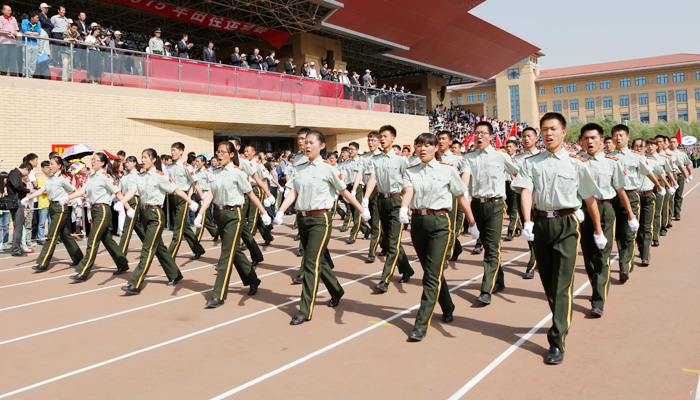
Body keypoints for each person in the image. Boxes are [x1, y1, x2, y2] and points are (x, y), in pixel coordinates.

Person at [512, 112, 605, 365]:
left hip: (567, 224)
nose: (548, 133)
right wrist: (528, 221)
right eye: (544, 129)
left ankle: (556, 339)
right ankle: (562, 317)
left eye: (553, 129)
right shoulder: (531, 163)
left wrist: (598, 230)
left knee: (563, 281)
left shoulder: (577, 163)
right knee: (548, 281)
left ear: (564, 132)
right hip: (541, 223)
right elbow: (526, 191)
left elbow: (589, 199)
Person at [273, 130, 369, 325]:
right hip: (302, 219)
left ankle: (305, 309)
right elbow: (292, 192)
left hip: (320, 219)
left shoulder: (329, 168)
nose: (307, 146)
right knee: (319, 260)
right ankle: (336, 290)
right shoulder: (298, 167)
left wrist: (361, 209)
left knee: (310, 263)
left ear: (322, 146)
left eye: (311, 143)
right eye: (304, 143)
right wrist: (281, 211)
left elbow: (344, 191)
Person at [399, 133, 479, 341]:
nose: (422, 149)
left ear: (436, 148)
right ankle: (448, 305)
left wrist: (472, 223)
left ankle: (421, 324)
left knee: (431, 275)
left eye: (427, 145)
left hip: (440, 223)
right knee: (430, 270)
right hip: (418, 223)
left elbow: (461, 196)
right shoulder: (411, 171)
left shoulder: (448, 170)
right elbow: (408, 190)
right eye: (419, 145)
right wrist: (404, 207)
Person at [193, 141, 267, 308]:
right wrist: (200, 213)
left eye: (223, 152)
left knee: (225, 254)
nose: (219, 155)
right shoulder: (215, 172)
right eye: (218, 152)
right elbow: (210, 194)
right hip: (220, 214)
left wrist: (263, 212)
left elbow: (250, 194)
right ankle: (253, 279)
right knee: (232, 250)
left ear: (232, 154)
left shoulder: (238, 172)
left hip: (235, 214)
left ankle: (218, 294)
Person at [579, 123, 638, 316]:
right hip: (583, 211)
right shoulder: (577, 162)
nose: (590, 141)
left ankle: (598, 301)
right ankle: (597, 287)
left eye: (594, 138)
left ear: (602, 142)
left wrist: (630, 214)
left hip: (605, 209)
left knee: (602, 255)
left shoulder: (612, 163)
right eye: (586, 138)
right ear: (581, 141)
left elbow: (621, 190)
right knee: (588, 255)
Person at [459, 121, 519, 305]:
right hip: (477, 205)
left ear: (491, 137)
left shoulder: (501, 157)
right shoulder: (468, 158)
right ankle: (498, 279)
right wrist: (460, 191)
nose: (479, 136)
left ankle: (486, 289)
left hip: (495, 206)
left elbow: (518, 173)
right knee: (487, 244)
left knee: (492, 248)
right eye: (476, 133)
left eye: (483, 133)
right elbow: (465, 180)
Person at [119, 149, 194, 295]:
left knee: (147, 249)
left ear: (153, 159)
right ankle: (174, 273)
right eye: (142, 157)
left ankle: (135, 283)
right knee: (158, 246)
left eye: (145, 157)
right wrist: (121, 202)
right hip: (144, 213)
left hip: (155, 215)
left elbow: (176, 189)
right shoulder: (140, 176)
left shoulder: (159, 176)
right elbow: (132, 191)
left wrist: (190, 201)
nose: (143, 160)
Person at [363, 125, 416, 292]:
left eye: (385, 136)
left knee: (393, 243)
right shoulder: (375, 159)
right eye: (381, 136)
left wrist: (406, 206)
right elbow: (373, 179)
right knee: (389, 240)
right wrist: (365, 198)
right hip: (381, 200)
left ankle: (384, 280)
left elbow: (409, 183)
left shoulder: (401, 159)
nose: (382, 139)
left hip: (395, 201)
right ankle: (407, 269)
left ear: (393, 138)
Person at [609, 124, 664, 282]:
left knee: (628, 233)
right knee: (618, 234)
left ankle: (624, 266)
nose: (618, 138)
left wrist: (659, 186)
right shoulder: (607, 157)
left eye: (621, 135)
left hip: (631, 195)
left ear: (627, 137)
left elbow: (648, 173)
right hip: (613, 198)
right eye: (615, 135)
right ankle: (627, 259)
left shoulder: (636, 157)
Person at [64, 152, 130, 281]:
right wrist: (67, 197)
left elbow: (117, 192)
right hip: (94, 210)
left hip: (103, 210)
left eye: (95, 160)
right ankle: (122, 264)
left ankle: (83, 271)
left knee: (93, 240)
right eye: (92, 160)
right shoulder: (91, 177)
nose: (92, 162)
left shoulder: (105, 176)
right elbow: (83, 191)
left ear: (103, 163)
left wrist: (127, 208)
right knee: (108, 240)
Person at [21, 156, 83, 271]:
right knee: (65, 235)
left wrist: (71, 183)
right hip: (52, 206)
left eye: (52, 164)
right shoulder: (50, 178)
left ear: (59, 166)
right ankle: (78, 257)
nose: (50, 166)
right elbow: (40, 190)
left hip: (60, 208)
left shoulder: (63, 178)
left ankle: (43, 263)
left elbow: (73, 188)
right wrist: (28, 197)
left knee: (52, 235)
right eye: (49, 164)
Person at [633, 138, 672, 266]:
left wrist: (667, 186)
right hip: (634, 197)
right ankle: (641, 246)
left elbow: (661, 174)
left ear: (645, 148)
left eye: (641, 146)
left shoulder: (652, 161)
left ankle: (645, 255)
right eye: (636, 146)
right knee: (636, 227)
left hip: (648, 195)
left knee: (646, 225)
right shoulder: (629, 161)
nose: (639, 148)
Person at [166, 142, 205, 260]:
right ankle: (198, 249)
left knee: (177, 229)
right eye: (171, 150)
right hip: (172, 198)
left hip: (183, 199)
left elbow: (195, 183)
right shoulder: (170, 167)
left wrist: (202, 198)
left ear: (181, 152)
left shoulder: (186, 166)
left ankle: (169, 256)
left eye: (174, 150)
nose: (172, 152)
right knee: (185, 227)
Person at [511, 127, 540, 279]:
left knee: (540, 231)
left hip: (539, 199)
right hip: (522, 197)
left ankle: (534, 262)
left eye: (529, 136)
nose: (526, 139)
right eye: (524, 137)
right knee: (529, 230)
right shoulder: (517, 159)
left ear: (536, 138)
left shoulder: (542, 156)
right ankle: (534, 259)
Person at [436, 130, 466, 261]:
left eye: (443, 139)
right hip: (437, 196)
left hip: (451, 196)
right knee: (439, 226)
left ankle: (447, 255)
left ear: (450, 141)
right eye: (439, 139)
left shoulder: (457, 159)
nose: (441, 141)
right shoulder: (433, 157)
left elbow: (465, 174)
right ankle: (456, 247)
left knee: (451, 226)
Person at [361, 131, 384, 263]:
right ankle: (384, 243)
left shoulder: (381, 157)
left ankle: (372, 251)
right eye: (369, 140)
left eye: (373, 140)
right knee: (369, 219)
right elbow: (359, 173)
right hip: (366, 190)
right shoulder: (364, 158)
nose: (370, 143)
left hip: (378, 191)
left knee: (376, 222)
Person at [117, 156, 144, 256]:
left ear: (134, 163)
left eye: (129, 162)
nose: (126, 164)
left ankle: (121, 254)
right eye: (126, 162)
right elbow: (118, 190)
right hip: (125, 200)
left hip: (134, 200)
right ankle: (150, 243)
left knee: (127, 227)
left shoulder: (138, 175)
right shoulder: (124, 176)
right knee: (136, 225)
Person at [6, 162, 34, 257]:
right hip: (16, 202)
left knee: (18, 226)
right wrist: (28, 190)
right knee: (18, 226)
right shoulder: (14, 173)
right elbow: (17, 186)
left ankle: (16, 248)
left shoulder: (15, 174)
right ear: (26, 169)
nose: (27, 175)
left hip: (16, 201)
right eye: (28, 172)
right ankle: (16, 250)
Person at [192, 155, 218, 242]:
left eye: (198, 161)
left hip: (205, 195)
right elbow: (193, 185)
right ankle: (216, 232)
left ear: (203, 162)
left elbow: (212, 184)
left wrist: (207, 195)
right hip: (196, 195)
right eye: (196, 161)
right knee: (204, 218)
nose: (196, 163)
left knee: (201, 217)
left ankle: (197, 238)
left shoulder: (207, 172)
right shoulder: (195, 172)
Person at [669, 136, 693, 220]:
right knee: (671, 196)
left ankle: (677, 212)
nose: (672, 143)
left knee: (678, 195)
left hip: (680, 176)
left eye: (674, 142)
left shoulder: (682, 154)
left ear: (677, 143)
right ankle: (669, 213)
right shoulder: (666, 153)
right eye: (671, 142)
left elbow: (687, 164)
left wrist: (689, 175)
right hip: (670, 176)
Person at [503, 139, 520, 241]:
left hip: (514, 185)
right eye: (507, 147)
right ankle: (518, 227)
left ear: (515, 148)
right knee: (508, 210)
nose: (508, 149)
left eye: (510, 147)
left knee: (514, 209)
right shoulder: (503, 159)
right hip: (504, 186)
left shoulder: (518, 159)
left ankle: (511, 232)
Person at [0, 4, 19, 77]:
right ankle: (2, 73)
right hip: (3, 42)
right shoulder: (0, 18)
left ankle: (13, 74)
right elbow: (0, 29)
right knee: (3, 58)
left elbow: (16, 29)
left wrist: (17, 33)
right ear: (3, 10)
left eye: (10, 10)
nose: (9, 12)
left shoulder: (13, 19)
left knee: (13, 58)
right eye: (8, 10)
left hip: (13, 42)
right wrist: (10, 31)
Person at [20, 12, 41, 78]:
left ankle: (30, 75)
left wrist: (30, 33)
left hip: (35, 44)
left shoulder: (38, 23)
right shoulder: (24, 21)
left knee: (33, 61)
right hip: (26, 44)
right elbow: (24, 32)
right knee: (26, 60)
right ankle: (24, 74)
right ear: (32, 18)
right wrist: (33, 33)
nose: (38, 19)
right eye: (36, 17)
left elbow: (38, 33)